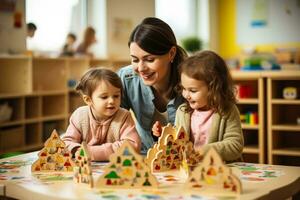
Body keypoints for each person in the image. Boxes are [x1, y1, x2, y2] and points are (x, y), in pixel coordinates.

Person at [152, 50, 244, 162]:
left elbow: (235, 146)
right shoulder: (183, 111)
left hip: (220, 171)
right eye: (184, 89)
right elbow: (178, 141)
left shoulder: (227, 111)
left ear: (214, 89)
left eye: (193, 90)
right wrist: (165, 133)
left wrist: (203, 151)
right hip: (191, 169)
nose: (186, 95)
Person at [117, 17, 187, 154]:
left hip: (184, 157)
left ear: (171, 53)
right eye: (135, 60)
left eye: (149, 59)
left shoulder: (191, 80)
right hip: (143, 155)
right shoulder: (126, 78)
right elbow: (112, 122)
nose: (141, 68)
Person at [62, 68, 141, 161]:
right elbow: (66, 143)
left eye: (116, 96)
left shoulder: (124, 116)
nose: (112, 101)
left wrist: (90, 152)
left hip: (114, 169)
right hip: (86, 169)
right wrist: (76, 150)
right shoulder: (79, 115)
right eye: (104, 97)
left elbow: (132, 146)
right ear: (88, 100)